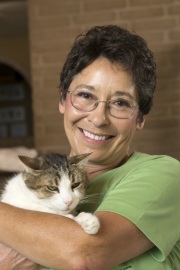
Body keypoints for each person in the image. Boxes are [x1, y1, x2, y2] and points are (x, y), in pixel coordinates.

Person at [0, 25, 179, 270]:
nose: (98, 118)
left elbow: (84, 253)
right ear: (63, 101)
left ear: (140, 119)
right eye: (85, 95)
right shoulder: (29, 189)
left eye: (120, 102)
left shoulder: (165, 175)